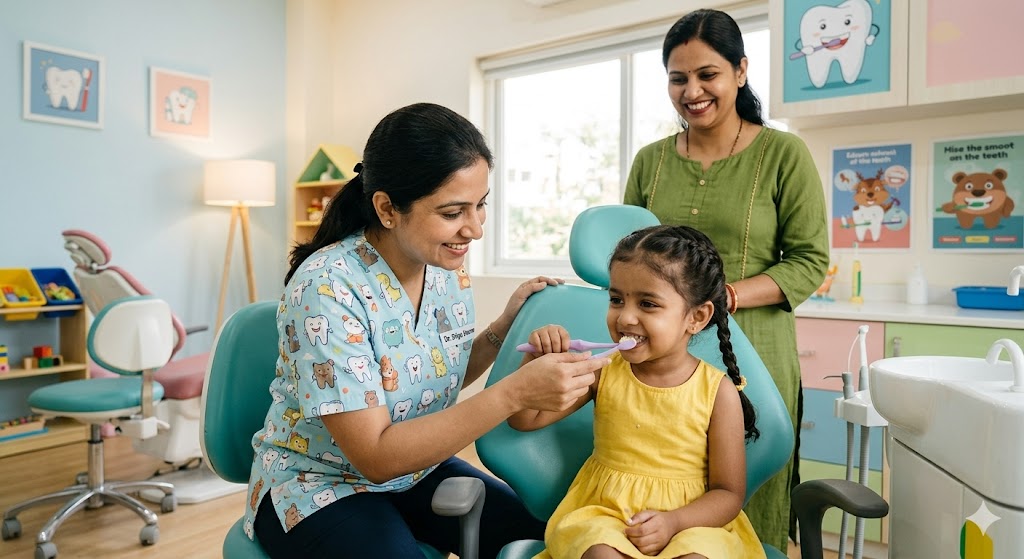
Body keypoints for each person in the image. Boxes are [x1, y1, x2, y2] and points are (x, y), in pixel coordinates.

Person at [246, 102, 609, 559]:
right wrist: (515, 394)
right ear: (387, 208)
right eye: (453, 212)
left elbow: (432, 372)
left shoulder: (444, 269)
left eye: (480, 205)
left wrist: (502, 330)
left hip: (414, 471)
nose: (474, 230)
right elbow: (376, 457)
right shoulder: (327, 288)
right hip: (318, 485)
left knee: (546, 540)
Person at [623, 9, 829, 551]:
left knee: (748, 491)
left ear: (740, 71)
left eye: (707, 74)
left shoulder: (783, 154)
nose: (691, 91)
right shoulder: (650, 162)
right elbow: (628, 255)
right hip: (664, 350)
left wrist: (725, 297)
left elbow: (808, 261)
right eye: (678, 78)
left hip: (754, 350)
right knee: (660, 479)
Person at [509, 225, 764, 559]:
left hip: (691, 522)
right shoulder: (601, 372)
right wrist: (536, 360)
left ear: (697, 317)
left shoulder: (718, 392)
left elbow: (728, 494)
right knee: (601, 553)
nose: (626, 317)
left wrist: (674, 522)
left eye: (647, 303)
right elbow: (524, 419)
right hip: (608, 515)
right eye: (617, 300)